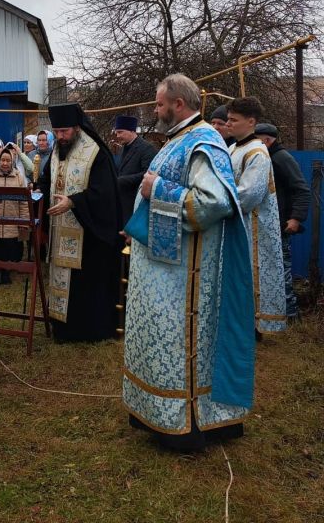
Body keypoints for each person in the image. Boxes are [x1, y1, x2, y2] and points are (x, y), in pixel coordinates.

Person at [123, 74, 254, 451]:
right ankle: (155, 412)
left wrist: (156, 190)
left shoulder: (204, 142)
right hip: (163, 271)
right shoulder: (179, 139)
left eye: (159, 103)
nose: (155, 109)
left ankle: (187, 424)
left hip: (183, 281)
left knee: (179, 345)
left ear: (178, 104)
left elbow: (213, 203)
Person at [38, 102, 123, 342]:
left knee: (85, 284)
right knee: (61, 278)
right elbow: (48, 179)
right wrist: (37, 193)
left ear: (77, 127)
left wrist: (74, 202)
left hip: (89, 233)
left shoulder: (95, 152)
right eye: (57, 132)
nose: (60, 136)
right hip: (59, 228)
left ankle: (88, 330)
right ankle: (62, 328)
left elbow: (104, 193)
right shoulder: (57, 150)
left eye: (64, 131)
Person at [227, 98, 286, 334]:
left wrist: (215, 201)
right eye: (228, 119)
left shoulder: (257, 152)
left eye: (234, 120)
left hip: (254, 227)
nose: (229, 124)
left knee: (253, 274)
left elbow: (248, 195)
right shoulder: (233, 148)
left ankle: (255, 326)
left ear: (251, 122)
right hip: (236, 223)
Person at [255, 123, 311, 319]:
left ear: (268, 140)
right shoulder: (266, 157)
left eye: (257, 139)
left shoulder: (281, 158)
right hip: (268, 223)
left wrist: (295, 218)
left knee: (282, 270)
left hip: (281, 224)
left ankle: (291, 314)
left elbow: (302, 189)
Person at [0, 147, 29, 286]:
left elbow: (24, 202)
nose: (5, 163)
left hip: (12, 220)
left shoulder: (19, 177)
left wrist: (24, 221)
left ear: (12, 161)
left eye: (8, 160)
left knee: (8, 250)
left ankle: (5, 273)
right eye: (3, 160)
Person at [112, 114, 156, 223]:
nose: (117, 135)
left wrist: (121, 180)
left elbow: (148, 175)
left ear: (132, 131)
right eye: (116, 132)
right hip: (120, 203)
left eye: (120, 132)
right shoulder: (123, 148)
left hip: (135, 204)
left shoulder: (147, 148)